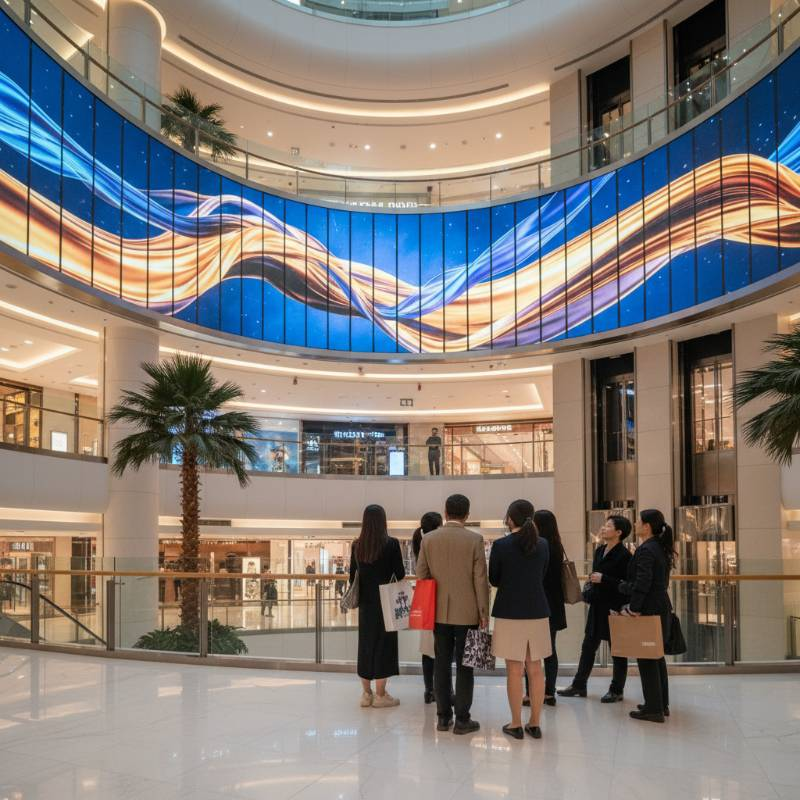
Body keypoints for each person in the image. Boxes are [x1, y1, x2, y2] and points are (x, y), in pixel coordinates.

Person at [416, 494, 490, 735]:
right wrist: (483, 612)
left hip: (438, 611)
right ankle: (462, 720)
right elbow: (480, 580)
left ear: (445, 513)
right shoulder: (475, 540)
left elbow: (421, 574)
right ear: (467, 515)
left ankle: (442, 717)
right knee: (465, 665)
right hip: (468, 612)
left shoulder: (428, 539)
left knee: (441, 663)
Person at [489, 499, 551, 740]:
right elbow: (543, 575)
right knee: (535, 669)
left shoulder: (501, 545)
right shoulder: (543, 544)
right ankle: (535, 723)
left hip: (509, 612)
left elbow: (494, 579)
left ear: (509, 518)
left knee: (514, 670)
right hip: (537, 611)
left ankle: (515, 723)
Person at [558, 515, 632, 702]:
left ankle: (617, 690)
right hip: (597, 607)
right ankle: (579, 685)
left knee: (618, 651)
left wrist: (604, 579)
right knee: (588, 647)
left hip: (614, 608)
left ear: (619, 532)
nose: (603, 528)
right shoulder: (599, 551)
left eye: (608, 526)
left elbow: (627, 585)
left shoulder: (625, 556)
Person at [619, 508, 675, 723]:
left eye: (638, 521)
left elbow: (643, 582)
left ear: (647, 526)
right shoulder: (659, 547)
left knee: (647, 658)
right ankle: (660, 704)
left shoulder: (646, 550)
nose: (635, 524)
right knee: (656, 656)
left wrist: (634, 608)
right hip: (660, 606)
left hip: (649, 609)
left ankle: (653, 709)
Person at [349, 504, 406, 709]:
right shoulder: (391, 544)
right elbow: (400, 574)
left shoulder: (357, 545)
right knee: (384, 646)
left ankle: (366, 694)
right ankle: (381, 695)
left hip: (366, 603)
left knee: (365, 645)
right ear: (383, 521)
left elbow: (352, 577)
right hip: (386, 602)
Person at [521, 509, 566, 708]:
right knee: (550, 650)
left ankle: (531, 693)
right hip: (554, 605)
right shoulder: (557, 546)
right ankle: (549, 692)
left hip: (536, 604)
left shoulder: (537, 546)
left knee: (531, 651)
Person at [412, 511, 444, 704]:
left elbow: (420, 573)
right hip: (440, 599)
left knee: (427, 648)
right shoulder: (437, 543)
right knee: (441, 648)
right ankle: (441, 689)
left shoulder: (421, 542)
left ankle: (428, 690)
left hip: (426, 599)